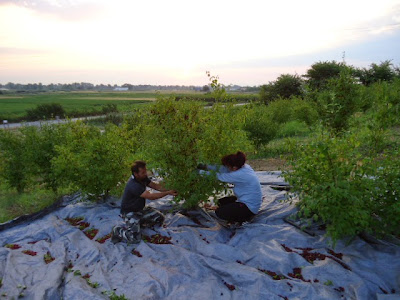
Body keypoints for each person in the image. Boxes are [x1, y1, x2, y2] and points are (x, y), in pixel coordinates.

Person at [112, 160, 177, 244]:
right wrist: (168, 193)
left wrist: (171, 187)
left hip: (140, 210)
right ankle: (117, 230)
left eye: (145, 171)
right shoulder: (133, 185)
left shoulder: (142, 178)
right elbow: (151, 196)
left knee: (159, 218)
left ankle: (139, 223)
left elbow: (156, 186)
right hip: (129, 213)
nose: (146, 173)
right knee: (135, 239)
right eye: (143, 172)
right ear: (136, 174)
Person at [200, 151, 262, 223]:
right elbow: (224, 169)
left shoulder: (239, 174)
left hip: (249, 209)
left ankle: (241, 219)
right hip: (250, 202)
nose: (227, 167)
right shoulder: (244, 167)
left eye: (228, 166)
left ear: (234, 167)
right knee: (220, 202)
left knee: (220, 212)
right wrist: (206, 166)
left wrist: (199, 172)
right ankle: (236, 212)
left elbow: (219, 176)